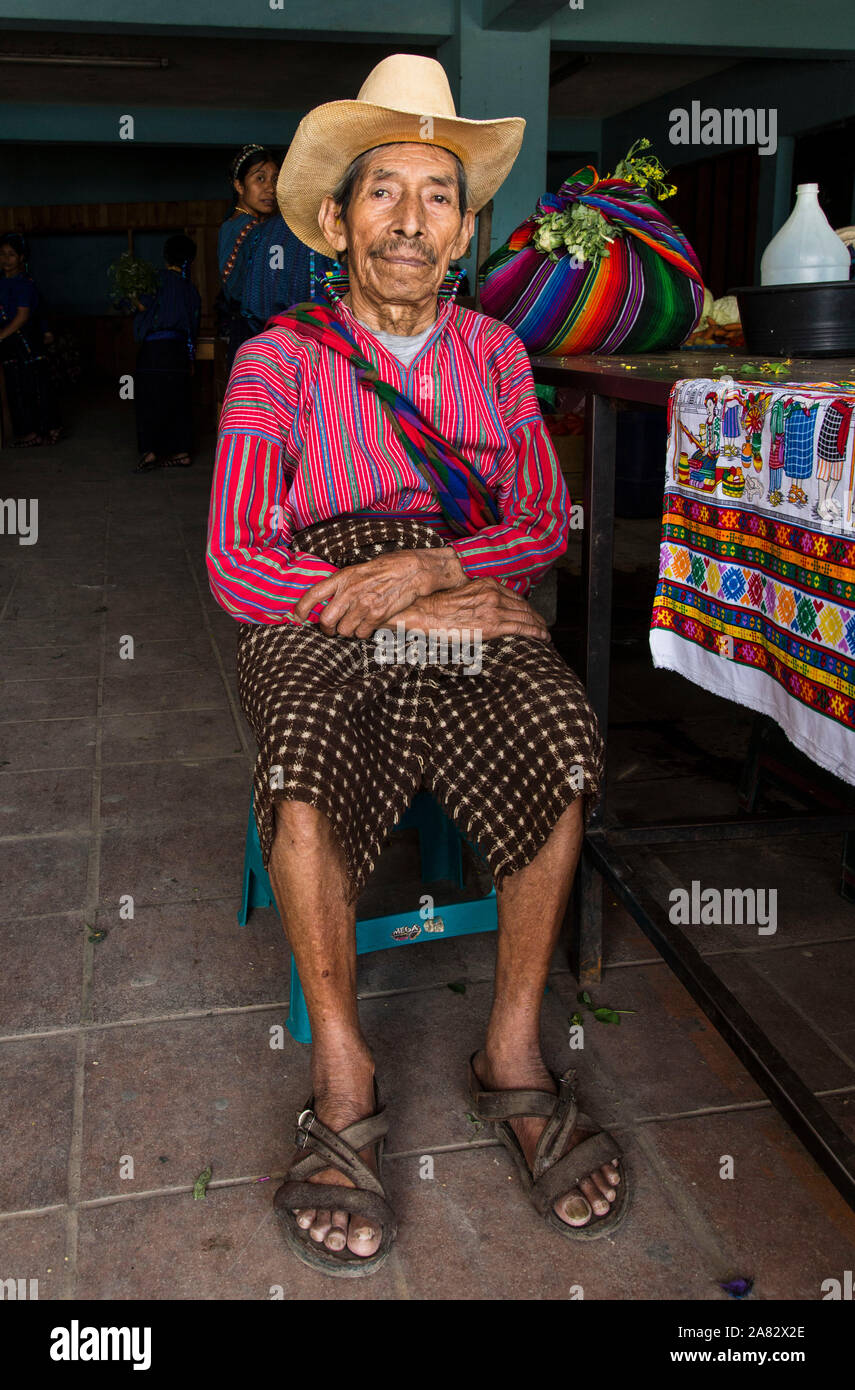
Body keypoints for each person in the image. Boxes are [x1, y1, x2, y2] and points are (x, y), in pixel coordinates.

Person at [206, 54, 625, 1278]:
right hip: (315, 606)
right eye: (383, 191)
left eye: (438, 195)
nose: (410, 218)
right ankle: (343, 1069)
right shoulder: (274, 362)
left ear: (465, 226)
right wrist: (389, 613)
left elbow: (543, 521)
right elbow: (239, 561)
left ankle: (510, 1049)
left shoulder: (496, 356)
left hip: (462, 589)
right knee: (300, 759)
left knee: (559, 736)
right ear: (336, 219)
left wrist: (434, 577)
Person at [217, 143, 333, 375]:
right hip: (259, 332)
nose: (270, 188)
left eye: (275, 179)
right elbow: (243, 293)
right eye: (260, 179)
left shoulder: (248, 226)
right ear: (239, 185)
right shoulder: (250, 230)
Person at [132, 234, 201, 472]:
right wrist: (190, 359)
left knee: (149, 399)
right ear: (189, 260)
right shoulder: (190, 290)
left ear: (165, 256)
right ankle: (181, 451)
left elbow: (141, 306)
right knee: (179, 399)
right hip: (178, 351)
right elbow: (192, 328)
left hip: (153, 350)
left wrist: (131, 296)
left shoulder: (153, 281)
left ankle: (150, 451)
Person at [0, 232, 61, 447]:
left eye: (12, 255)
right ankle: (29, 433)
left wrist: (1, 336)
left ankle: (49, 429)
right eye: (3, 254)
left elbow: (23, 316)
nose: (6, 259)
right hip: (8, 342)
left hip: (25, 340)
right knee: (15, 386)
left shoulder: (25, 283)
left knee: (36, 384)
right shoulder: (2, 282)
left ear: (22, 258)